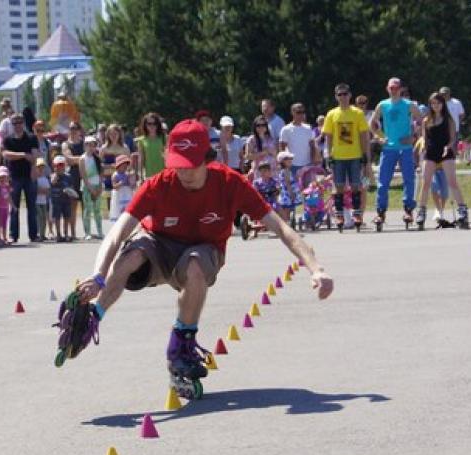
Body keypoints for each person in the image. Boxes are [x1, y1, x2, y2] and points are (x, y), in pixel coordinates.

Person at [56, 119, 334, 386]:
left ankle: (182, 344)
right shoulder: (158, 185)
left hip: (204, 249)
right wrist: (98, 275)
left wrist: (316, 268)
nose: (184, 173)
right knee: (131, 255)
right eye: (178, 165)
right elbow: (117, 232)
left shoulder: (230, 183)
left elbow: (282, 228)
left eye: (191, 166)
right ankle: (94, 317)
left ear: (207, 158)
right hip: (158, 243)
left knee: (196, 267)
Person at [369, 77, 421, 226]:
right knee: (383, 181)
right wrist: (379, 138)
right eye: (391, 88)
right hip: (389, 148)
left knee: (408, 179)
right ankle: (380, 212)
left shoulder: (408, 104)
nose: (394, 90)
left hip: (405, 148)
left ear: (401, 89)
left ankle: (408, 210)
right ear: (387, 89)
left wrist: (413, 137)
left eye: (396, 88)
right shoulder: (383, 104)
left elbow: (422, 120)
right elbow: (372, 123)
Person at [322, 83, 372, 229]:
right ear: (336, 97)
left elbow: (363, 135)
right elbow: (329, 136)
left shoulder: (357, 113)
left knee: (356, 186)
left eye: (345, 94)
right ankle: (339, 215)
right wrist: (328, 154)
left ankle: (357, 213)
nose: (343, 97)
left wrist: (365, 155)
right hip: (338, 157)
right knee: (339, 187)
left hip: (355, 155)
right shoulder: (332, 114)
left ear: (350, 95)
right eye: (340, 95)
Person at [416, 92, 470, 228]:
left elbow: (453, 138)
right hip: (431, 152)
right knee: (426, 182)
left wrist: (448, 147)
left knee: (452, 181)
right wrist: (423, 148)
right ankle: (421, 212)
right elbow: (424, 138)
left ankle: (462, 211)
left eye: (438, 103)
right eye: (433, 103)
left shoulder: (448, 119)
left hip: (446, 151)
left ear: (442, 104)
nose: (436, 106)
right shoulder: (426, 120)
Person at [0, 112, 40, 243]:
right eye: (14, 123)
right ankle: (13, 234)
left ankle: (33, 234)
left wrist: (34, 167)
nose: (17, 125)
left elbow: (35, 155)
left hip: (29, 175)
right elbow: (6, 154)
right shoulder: (8, 139)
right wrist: (23, 154)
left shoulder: (31, 138)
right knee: (14, 206)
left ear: (23, 123)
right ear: (11, 125)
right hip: (14, 176)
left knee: (32, 206)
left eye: (19, 122)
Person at [279, 102, 316, 178]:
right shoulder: (286, 129)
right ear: (292, 113)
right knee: (295, 189)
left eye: (303, 112)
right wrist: (284, 165)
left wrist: (313, 162)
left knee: (309, 189)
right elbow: (282, 148)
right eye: (298, 112)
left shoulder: (308, 128)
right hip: (292, 166)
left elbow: (312, 146)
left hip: (307, 164)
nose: (301, 115)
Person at [61, 122, 85, 241]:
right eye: (71, 128)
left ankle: (87, 232)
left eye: (75, 128)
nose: (73, 130)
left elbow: (93, 156)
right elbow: (69, 160)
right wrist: (84, 158)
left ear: (80, 130)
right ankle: (73, 233)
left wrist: (79, 159)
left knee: (86, 205)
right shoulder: (66, 144)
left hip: (85, 175)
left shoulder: (84, 143)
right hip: (73, 176)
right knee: (73, 206)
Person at [79, 135, 104, 239]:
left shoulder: (97, 158)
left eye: (93, 145)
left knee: (97, 210)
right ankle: (87, 232)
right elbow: (84, 176)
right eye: (88, 145)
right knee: (87, 210)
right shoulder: (82, 159)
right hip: (87, 187)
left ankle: (100, 232)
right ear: (85, 146)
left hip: (97, 186)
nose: (90, 147)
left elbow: (101, 174)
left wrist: (99, 188)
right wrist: (91, 189)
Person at [50, 155, 79, 242]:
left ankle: (66, 234)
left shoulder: (68, 176)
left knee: (67, 217)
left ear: (65, 166)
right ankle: (58, 234)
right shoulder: (53, 176)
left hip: (66, 200)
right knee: (57, 217)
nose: (59, 167)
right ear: (54, 166)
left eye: (61, 165)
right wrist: (54, 177)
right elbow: (52, 183)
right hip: (56, 200)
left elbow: (71, 188)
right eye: (57, 165)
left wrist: (70, 192)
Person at [136, 112, 166, 180]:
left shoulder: (165, 138)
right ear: (145, 125)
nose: (152, 126)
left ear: (158, 124)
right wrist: (140, 176)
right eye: (149, 124)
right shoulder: (141, 140)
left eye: (154, 123)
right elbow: (141, 159)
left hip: (164, 174)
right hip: (149, 175)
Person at [274, 151, 301, 225]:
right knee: (287, 208)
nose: (290, 161)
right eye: (288, 160)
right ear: (282, 162)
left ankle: (286, 221)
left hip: (285, 191)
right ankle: (286, 222)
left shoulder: (285, 171)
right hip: (287, 193)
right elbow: (287, 183)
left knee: (287, 208)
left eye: (291, 160)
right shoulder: (286, 171)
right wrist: (291, 193)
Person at [110, 154, 135, 221]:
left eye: (126, 164)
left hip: (127, 195)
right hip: (119, 195)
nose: (125, 166)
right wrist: (120, 183)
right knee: (119, 210)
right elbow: (114, 186)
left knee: (127, 210)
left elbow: (131, 186)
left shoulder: (127, 174)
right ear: (118, 165)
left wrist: (131, 178)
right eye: (123, 164)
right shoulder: (115, 175)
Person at [34, 158, 51, 240]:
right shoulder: (34, 179)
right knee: (39, 216)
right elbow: (35, 190)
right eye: (39, 167)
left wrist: (41, 190)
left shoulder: (45, 179)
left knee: (44, 217)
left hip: (43, 201)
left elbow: (47, 191)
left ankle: (43, 234)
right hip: (36, 201)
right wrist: (40, 190)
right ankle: (38, 234)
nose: (40, 169)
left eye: (42, 167)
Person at [0, 166, 12, 245]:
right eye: (1, 177)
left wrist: (13, 205)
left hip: (5, 207)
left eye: (4, 177)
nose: (2, 179)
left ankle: (5, 237)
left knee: (5, 223)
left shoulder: (7, 186)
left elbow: (9, 197)